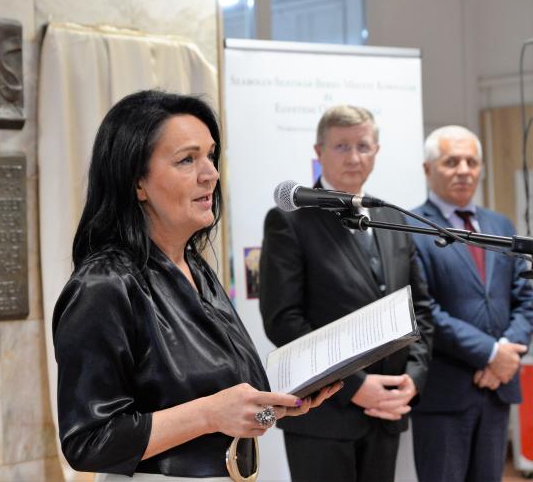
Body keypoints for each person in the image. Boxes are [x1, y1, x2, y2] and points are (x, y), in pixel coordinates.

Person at [52, 90, 341, 480]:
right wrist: (208, 414)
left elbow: (225, 410)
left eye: (210, 156)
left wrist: (278, 405)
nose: (211, 174)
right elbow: (88, 442)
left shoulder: (195, 267)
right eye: (187, 159)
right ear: (137, 183)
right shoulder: (103, 285)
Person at [259, 105, 434, 482]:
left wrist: (412, 379)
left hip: (387, 411)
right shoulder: (289, 220)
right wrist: (354, 386)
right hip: (323, 417)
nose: (354, 157)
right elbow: (283, 321)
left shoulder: (393, 218)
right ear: (318, 151)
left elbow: (419, 309)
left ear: (377, 151)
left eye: (363, 146)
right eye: (341, 146)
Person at [409, 125, 533, 482]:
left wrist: (505, 353)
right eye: (451, 162)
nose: (464, 170)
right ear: (428, 169)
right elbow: (422, 309)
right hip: (444, 394)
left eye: (471, 162)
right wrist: (490, 353)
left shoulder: (500, 225)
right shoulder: (411, 227)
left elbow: (526, 298)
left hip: (497, 391)